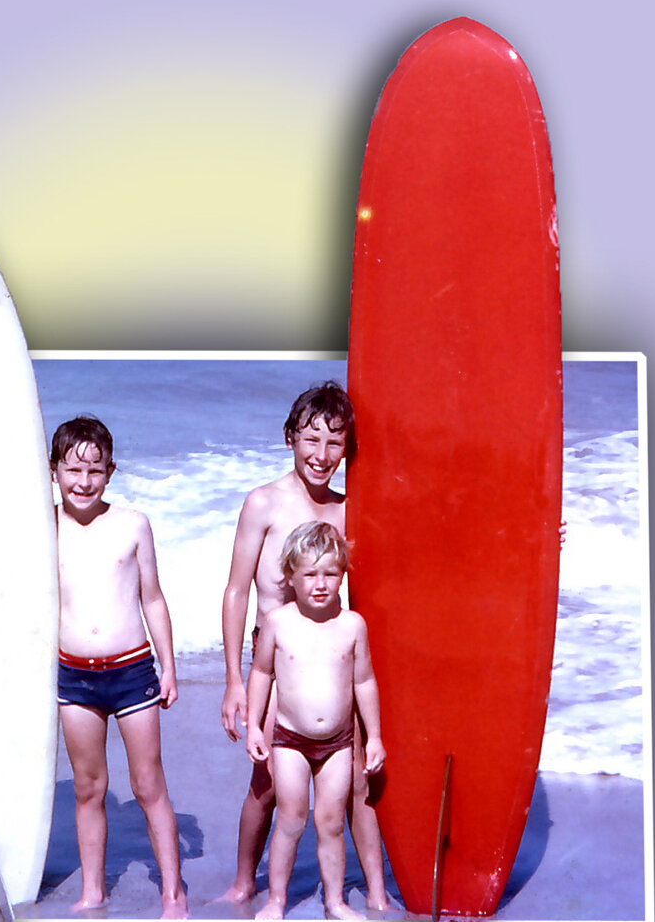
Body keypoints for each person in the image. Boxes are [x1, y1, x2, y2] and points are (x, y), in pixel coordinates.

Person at [220, 381, 388, 909]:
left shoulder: (350, 508)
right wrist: (234, 680)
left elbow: (425, 541)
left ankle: (377, 895)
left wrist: (536, 533)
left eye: (335, 442)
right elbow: (236, 590)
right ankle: (244, 883)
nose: (322, 454)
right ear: (290, 436)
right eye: (312, 439)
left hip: (332, 660)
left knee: (356, 783)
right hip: (274, 659)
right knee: (267, 781)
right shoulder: (264, 503)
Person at [52, 415, 188, 919]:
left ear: (110, 471)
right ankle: (94, 891)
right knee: (89, 788)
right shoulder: (43, 527)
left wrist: (168, 667)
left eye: (95, 471)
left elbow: (152, 598)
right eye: (72, 470)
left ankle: (173, 893)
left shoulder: (132, 524)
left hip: (132, 672)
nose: (83, 482)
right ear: (53, 470)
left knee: (148, 785)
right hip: (74, 677)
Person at [246, 522, 385, 920]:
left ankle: (335, 901)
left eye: (330, 573)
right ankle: (275, 901)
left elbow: (364, 681)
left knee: (331, 823)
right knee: (290, 819)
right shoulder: (278, 621)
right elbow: (261, 673)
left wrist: (374, 737)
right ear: (290, 576)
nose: (320, 584)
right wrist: (254, 725)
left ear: (343, 575)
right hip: (288, 739)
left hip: (339, 742)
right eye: (309, 574)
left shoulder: (352, 624)